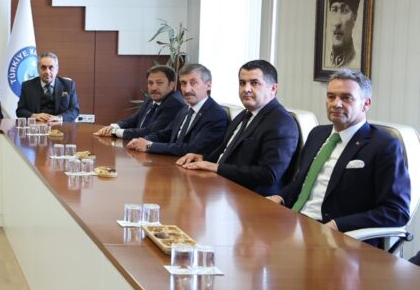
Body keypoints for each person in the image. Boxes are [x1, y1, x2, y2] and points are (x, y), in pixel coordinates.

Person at [267, 70, 409, 234]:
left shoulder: (384, 145)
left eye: (346, 98)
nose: (336, 103)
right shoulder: (317, 134)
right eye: (331, 96)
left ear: (366, 103)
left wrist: (338, 225)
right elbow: (302, 183)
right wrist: (279, 197)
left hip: (334, 233)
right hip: (293, 222)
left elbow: (396, 211)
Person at [176, 60, 300, 196]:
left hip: (251, 197)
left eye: (254, 83)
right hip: (221, 187)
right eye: (242, 83)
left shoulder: (281, 122)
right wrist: (202, 158)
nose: (246, 89)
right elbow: (225, 152)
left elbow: (268, 174)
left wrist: (215, 167)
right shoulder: (244, 114)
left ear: (273, 89)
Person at [127, 63, 227, 156]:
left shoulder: (216, 114)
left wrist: (150, 146)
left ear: (208, 85)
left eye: (193, 83)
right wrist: (141, 141)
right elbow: (166, 133)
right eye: (183, 83)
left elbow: (193, 149)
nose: (187, 89)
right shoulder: (185, 109)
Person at [94, 64, 183, 140]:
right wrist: (113, 126)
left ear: (171, 85)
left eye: (159, 83)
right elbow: (133, 120)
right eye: (150, 83)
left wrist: (114, 132)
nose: (153, 88)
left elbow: (150, 132)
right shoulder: (152, 98)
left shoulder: (174, 103)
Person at [15, 52, 80, 122]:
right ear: (38, 69)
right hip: (36, 126)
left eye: (51, 67)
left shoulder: (68, 85)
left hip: (59, 125)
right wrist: (34, 115)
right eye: (43, 67)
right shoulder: (27, 86)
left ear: (57, 69)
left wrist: (59, 118)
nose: (47, 71)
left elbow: (74, 110)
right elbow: (20, 111)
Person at [326, 0, 363, 68]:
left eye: (344, 10)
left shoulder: (356, 61)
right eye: (334, 9)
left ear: (354, 17)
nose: (337, 22)